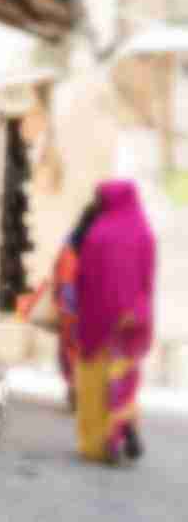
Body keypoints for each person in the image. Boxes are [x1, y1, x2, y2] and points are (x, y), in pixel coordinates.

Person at [75, 180, 156, 464]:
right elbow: (147, 280)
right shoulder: (143, 232)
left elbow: (84, 278)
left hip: (100, 317)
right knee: (123, 377)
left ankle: (98, 442)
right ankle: (121, 429)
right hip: (132, 320)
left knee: (96, 378)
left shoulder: (98, 233)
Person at [51, 201, 101, 411]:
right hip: (89, 297)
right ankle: (81, 389)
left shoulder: (73, 237)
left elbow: (60, 264)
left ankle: (76, 387)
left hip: (70, 296)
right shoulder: (103, 238)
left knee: (70, 346)